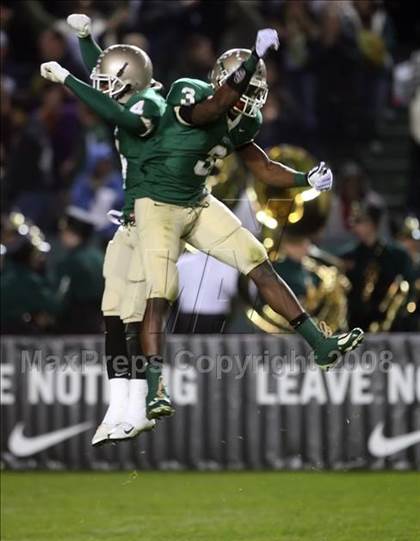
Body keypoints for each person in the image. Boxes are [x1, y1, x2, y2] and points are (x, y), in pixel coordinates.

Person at [125, 35, 364, 429]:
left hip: (196, 200)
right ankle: (154, 387)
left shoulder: (244, 119)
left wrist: (307, 178)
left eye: (256, 89)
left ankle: (320, 344)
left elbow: (264, 167)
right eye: (246, 85)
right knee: (162, 290)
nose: (249, 97)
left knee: (258, 260)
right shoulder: (193, 92)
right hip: (158, 204)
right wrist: (255, 57)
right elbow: (213, 107)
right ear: (223, 79)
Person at [41, 13, 166, 445]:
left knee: (132, 320)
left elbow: (112, 105)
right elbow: (107, 78)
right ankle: (119, 407)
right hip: (132, 221)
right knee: (113, 316)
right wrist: (85, 39)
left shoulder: (149, 105)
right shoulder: (132, 92)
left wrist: (67, 81)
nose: (106, 87)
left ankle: (142, 405)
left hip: (157, 221)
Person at [341, 203, 413, 331]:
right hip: (356, 325)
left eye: (359, 221)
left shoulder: (397, 255)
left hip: (392, 326)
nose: (354, 226)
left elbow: (408, 287)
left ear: (373, 224)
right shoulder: (348, 256)